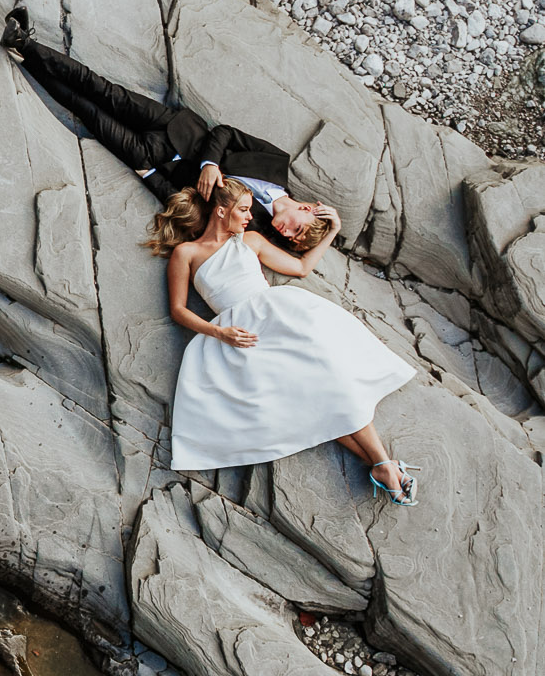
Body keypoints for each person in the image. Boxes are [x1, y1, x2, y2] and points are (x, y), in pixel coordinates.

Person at [151, 177, 418, 501]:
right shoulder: (186, 252)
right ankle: (384, 466)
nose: (250, 217)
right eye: (244, 210)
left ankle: (382, 465)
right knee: (310, 399)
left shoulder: (250, 240)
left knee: (332, 383)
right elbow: (178, 309)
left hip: (278, 316)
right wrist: (219, 332)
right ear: (222, 211)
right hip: (239, 333)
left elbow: (302, 267)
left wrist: (332, 230)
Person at [0, 8, 336, 255]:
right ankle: (24, 43)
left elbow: (199, 222)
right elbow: (226, 132)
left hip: (151, 160)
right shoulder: (276, 162)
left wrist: (148, 176)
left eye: (290, 236)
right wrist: (210, 165)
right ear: (306, 208)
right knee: (100, 88)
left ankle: (27, 62)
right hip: (174, 126)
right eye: (296, 227)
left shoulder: (256, 229)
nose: (286, 230)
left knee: (85, 110)